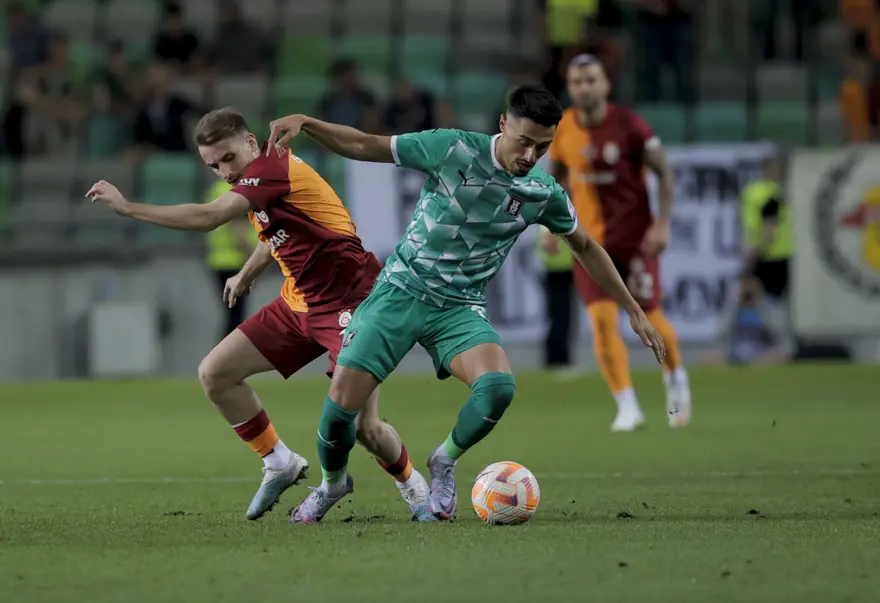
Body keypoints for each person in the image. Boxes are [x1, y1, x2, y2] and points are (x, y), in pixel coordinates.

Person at [265, 84, 666, 524]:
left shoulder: (542, 192)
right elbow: (367, 144)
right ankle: (332, 483)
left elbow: (586, 246)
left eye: (543, 146)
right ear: (503, 124)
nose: (531, 155)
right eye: (524, 142)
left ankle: (444, 461)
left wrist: (632, 308)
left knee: (497, 389)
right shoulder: (451, 148)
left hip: (459, 306)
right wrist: (307, 122)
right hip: (400, 290)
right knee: (340, 414)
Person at [86, 108, 434, 522]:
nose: (223, 172)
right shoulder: (260, 178)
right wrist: (246, 273)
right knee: (216, 373)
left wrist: (128, 209)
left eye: (228, 158)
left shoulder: (271, 168)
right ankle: (278, 462)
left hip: (353, 304)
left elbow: (209, 217)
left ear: (250, 142)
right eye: (213, 165)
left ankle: (414, 487)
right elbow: (277, 233)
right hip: (299, 302)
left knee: (363, 428)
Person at [547, 54, 691, 432]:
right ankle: (626, 404)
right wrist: (547, 228)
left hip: (636, 241)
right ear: (570, 87)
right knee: (600, 320)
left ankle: (675, 378)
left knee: (650, 316)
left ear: (605, 84)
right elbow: (556, 176)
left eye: (591, 80)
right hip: (589, 244)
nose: (585, 88)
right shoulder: (563, 129)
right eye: (577, 82)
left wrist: (661, 224)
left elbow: (665, 171)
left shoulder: (628, 124)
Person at [202, 178, 256, 339]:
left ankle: (221, 360)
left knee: (232, 316)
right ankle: (222, 360)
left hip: (219, 261)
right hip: (236, 263)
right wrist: (253, 264)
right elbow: (238, 232)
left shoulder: (217, 188)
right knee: (236, 319)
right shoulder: (237, 191)